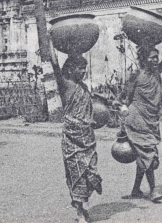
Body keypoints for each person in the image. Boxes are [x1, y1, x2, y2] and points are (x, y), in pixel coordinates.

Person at [119, 17, 162, 203]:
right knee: (149, 155)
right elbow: (127, 100)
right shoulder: (136, 76)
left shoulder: (157, 71)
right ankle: (153, 191)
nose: (155, 60)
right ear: (143, 59)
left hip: (151, 120)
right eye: (151, 57)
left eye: (156, 57)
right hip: (137, 119)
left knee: (144, 156)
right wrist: (123, 119)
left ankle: (136, 189)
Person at [58, 54, 102, 223]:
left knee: (91, 173)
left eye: (84, 68)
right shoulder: (66, 86)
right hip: (72, 139)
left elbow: (90, 108)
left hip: (88, 138)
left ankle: (83, 207)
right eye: (80, 68)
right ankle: (80, 212)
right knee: (77, 175)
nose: (83, 71)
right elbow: (55, 67)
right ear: (70, 69)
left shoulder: (83, 87)